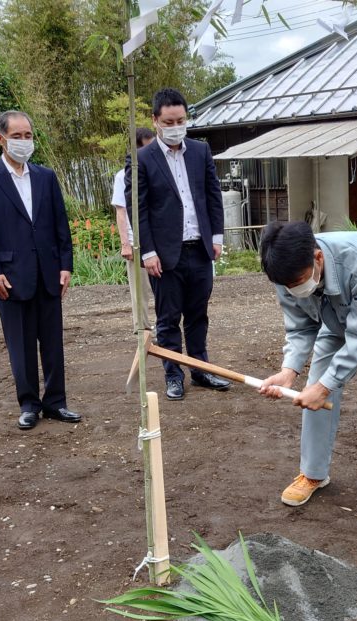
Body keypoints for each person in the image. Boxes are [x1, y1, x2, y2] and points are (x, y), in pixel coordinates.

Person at [257, 221, 357, 531]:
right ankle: (313, 472)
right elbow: (300, 327)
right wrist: (288, 371)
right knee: (314, 390)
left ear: (317, 258)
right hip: (334, 318)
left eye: (299, 281)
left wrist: (325, 386)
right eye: (287, 285)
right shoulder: (285, 273)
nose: (293, 289)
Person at [0, 110, 82, 431]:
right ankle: (29, 403)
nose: (23, 142)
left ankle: (56, 402)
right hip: (9, 276)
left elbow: (61, 224)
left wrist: (65, 265)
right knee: (20, 344)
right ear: (0, 139)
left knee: (53, 342)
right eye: (17, 136)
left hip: (48, 272)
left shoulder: (45, 177)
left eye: (28, 136)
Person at [126, 87, 229, 401]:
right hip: (164, 254)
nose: (175, 127)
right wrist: (148, 251)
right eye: (168, 122)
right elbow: (138, 209)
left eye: (180, 120)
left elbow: (212, 195)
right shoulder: (142, 159)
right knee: (168, 318)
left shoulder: (200, 151)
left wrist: (217, 236)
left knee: (198, 314)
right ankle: (174, 374)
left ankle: (200, 370)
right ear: (156, 120)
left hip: (199, 248)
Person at [113, 127, 156, 319]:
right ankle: (143, 330)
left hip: (159, 239)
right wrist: (125, 244)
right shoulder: (123, 176)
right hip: (136, 242)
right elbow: (121, 210)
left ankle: (164, 328)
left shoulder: (158, 171)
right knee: (140, 292)